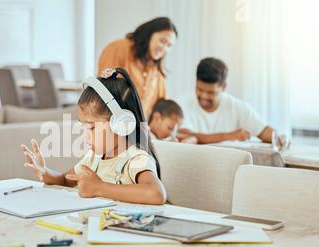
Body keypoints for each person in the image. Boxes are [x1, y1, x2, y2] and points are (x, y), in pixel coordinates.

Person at [21, 68, 167, 205]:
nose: (85, 136)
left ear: (122, 124)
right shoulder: (94, 158)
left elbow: (156, 193)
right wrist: (45, 173)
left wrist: (100, 188)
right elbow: (65, 180)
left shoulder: (135, 158)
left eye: (91, 128)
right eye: (83, 126)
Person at [178, 58, 281, 145]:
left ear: (223, 87)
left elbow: (263, 131)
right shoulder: (180, 104)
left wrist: (279, 138)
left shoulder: (237, 106)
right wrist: (230, 136)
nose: (204, 96)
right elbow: (183, 135)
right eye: (200, 89)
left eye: (211, 92)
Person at [98, 17, 178, 119]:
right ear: (149, 34)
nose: (164, 48)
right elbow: (104, 88)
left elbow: (162, 105)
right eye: (162, 41)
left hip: (139, 130)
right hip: (112, 123)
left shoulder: (156, 69)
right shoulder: (118, 48)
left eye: (169, 45)